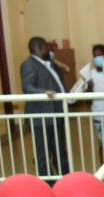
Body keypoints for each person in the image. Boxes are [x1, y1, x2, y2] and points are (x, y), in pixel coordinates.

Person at [20, 36, 69, 179]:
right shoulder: (29, 65)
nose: (50, 50)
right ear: (39, 48)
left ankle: (64, 179)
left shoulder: (50, 64)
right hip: (41, 116)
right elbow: (27, 87)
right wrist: (43, 93)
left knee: (60, 151)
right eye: (47, 47)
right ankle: (47, 183)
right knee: (43, 153)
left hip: (56, 114)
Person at [80, 44, 104, 155]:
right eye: (95, 56)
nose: (97, 58)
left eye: (100, 55)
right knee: (103, 144)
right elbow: (85, 96)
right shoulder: (91, 74)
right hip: (99, 113)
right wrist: (89, 87)